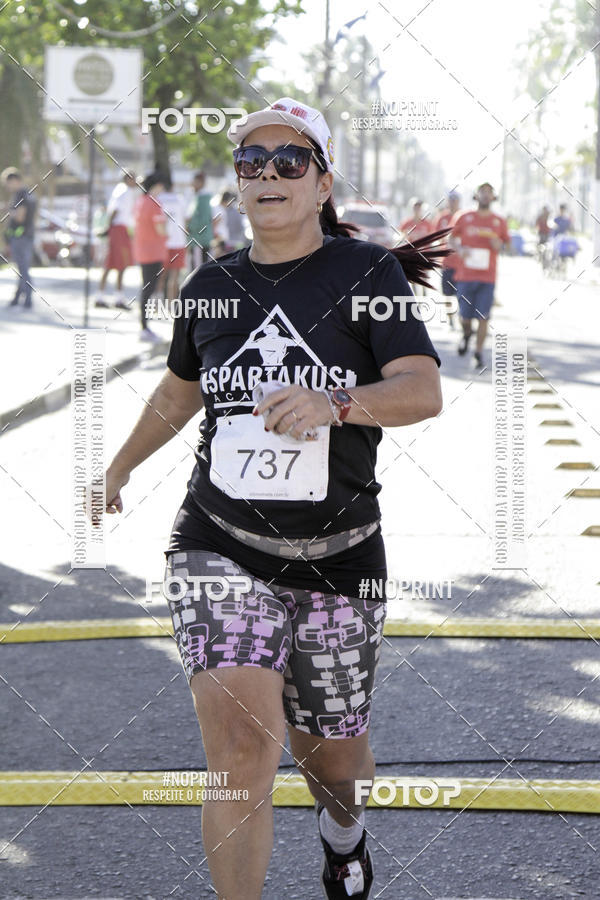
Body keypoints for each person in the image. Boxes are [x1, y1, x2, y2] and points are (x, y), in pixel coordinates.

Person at [103, 96, 447, 900]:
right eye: (250, 162)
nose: (267, 175)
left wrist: (336, 403)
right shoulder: (213, 285)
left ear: (322, 182)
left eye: (288, 162)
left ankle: (343, 834)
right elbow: (179, 392)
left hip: (340, 554)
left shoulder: (368, 275)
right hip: (219, 542)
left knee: (333, 758)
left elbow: (422, 389)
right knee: (240, 750)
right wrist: (116, 467)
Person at [450, 182, 511, 368]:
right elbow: (450, 238)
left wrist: (499, 245)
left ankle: (478, 352)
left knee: (484, 316)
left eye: (489, 192)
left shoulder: (499, 221)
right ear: (476, 196)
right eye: (482, 192)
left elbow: (508, 246)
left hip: (487, 277)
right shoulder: (464, 217)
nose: (486, 195)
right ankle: (467, 333)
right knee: (465, 317)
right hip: (465, 276)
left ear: (493, 197)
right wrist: (460, 248)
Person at [132, 171, 167, 341]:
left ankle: (144, 325)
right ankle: (144, 327)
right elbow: (160, 228)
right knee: (149, 288)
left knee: (146, 287)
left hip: (142, 249)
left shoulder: (140, 202)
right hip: (153, 251)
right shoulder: (154, 203)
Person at [95, 171, 138, 309]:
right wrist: (109, 228)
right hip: (118, 229)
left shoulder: (124, 190)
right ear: (127, 178)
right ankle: (112, 298)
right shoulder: (124, 190)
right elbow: (115, 211)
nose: (135, 181)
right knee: (118, 264)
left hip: (120, 229)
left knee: (116, 264)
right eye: (133, 178)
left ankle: (107, 296)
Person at [1, 167, 36, 309]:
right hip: (25, 236)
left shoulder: (21, 194)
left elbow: (20, 217)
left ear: (14, 180)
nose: (7, 187)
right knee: (22, 268)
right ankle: (18, 297)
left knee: (23, 268)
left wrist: (10, 211)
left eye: (7, 183)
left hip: (20, 237)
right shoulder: (28, 194)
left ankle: (27, 298)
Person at [157, 175, 188, 301]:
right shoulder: (180, 199)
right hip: (179, 242)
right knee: (174, 276)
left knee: (161, 275)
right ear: (173, 186)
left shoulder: (158, 199)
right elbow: (186, 220)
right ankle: (171, 305)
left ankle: (157, 303)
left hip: (163, 242)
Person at [433, 190, 461, 328]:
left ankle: (462, 318)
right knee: (447, 294)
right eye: (451, 200)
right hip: (446, 262)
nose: (453, 203)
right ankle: (450, 319)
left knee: (461, 294)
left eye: (455, 200)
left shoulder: (463, 217)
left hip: (462, 265)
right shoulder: (441, 218)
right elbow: (436, 236)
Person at [186, 170, 217, 269]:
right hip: (201, 239)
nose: (192, 184)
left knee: (197, 270)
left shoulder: (203, 198)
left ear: (201, 183)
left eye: (195, 182)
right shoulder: (201, 197)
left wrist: (189, 227)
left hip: (199, 240)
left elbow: (202, 220)